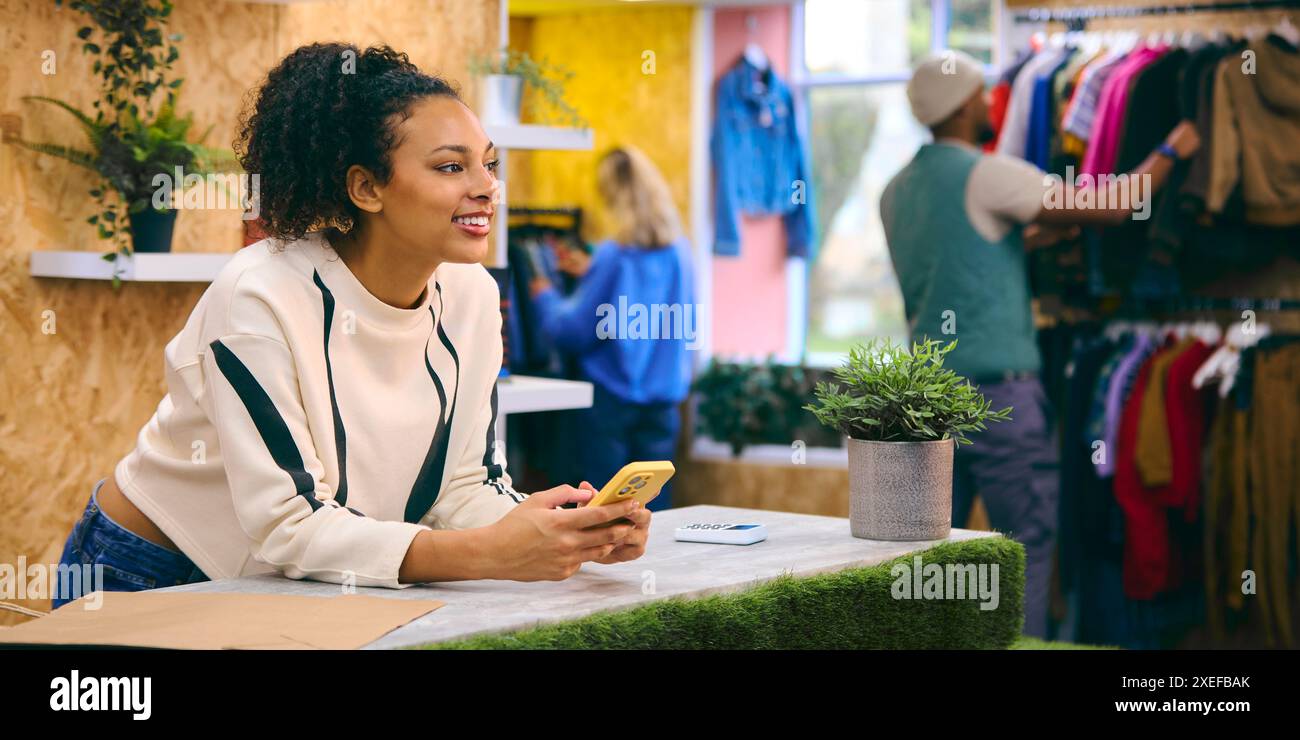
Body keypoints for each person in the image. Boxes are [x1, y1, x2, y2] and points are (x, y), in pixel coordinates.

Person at [51, 43, 649, 610]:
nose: (486, 187)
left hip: (297, 580)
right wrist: (490, 553)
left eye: (489, 165)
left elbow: (466, 485)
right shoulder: (259, 296)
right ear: (366, 187)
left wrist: (569, 530)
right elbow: (288, 526)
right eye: (450, 167)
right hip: (152, 570)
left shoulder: (472, 295)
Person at [879, 50, 1201, 638]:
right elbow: (1119, 202)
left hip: (922, 404)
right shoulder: (989, 172)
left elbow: (967, 258)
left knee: (919, 559)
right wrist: (1176, 147)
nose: (991, 103)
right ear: (964, 104)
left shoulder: (896, 191)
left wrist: (1037, 236)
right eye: (982, 94)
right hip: (995, 398)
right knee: (1022, 549)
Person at [529, 146, 696, 511]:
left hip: (610, 403)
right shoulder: (680, 253)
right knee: (652, 511)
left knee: (603, 512)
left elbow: (572, 331)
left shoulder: (614, 256)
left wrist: (545, 297)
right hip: (664, 403)